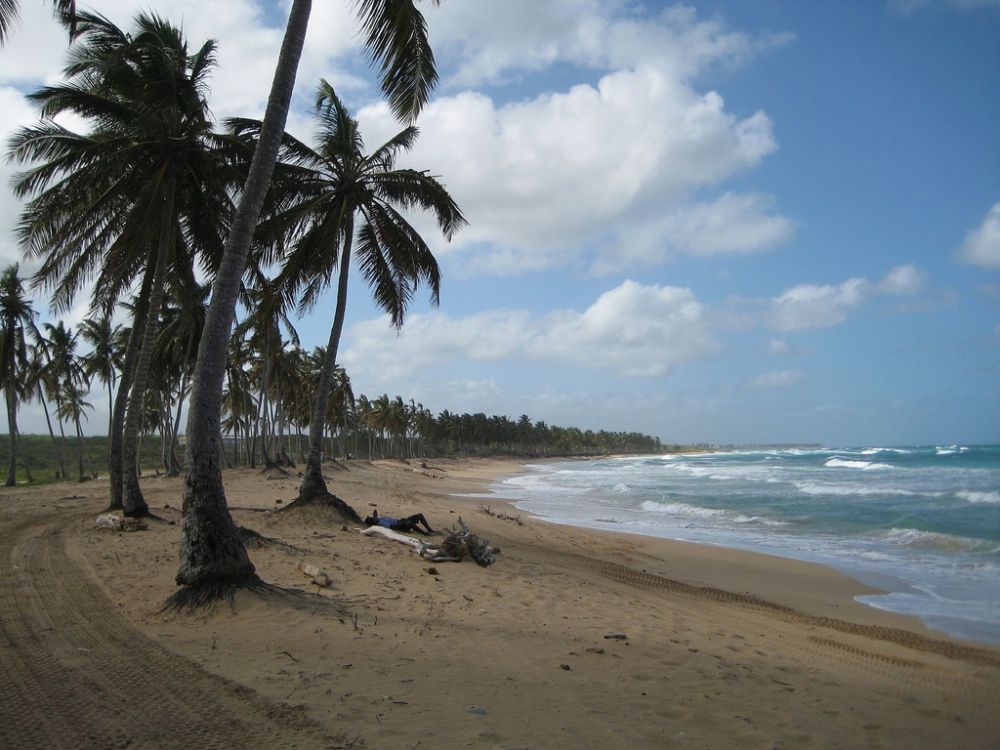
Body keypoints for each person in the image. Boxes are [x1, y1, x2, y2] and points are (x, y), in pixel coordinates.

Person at [364, 509, 435, 534]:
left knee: (420, 515)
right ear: (373, 521)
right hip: (401, 526)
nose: (373, 517)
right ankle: (424, 533)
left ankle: (429, 529)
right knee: (410, 523)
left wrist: (375, 515)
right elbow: (393, 527)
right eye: (372, 518)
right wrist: (403, 523)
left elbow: (375, 512)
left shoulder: (379, 519)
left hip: (400, 522)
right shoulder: (380, 523)